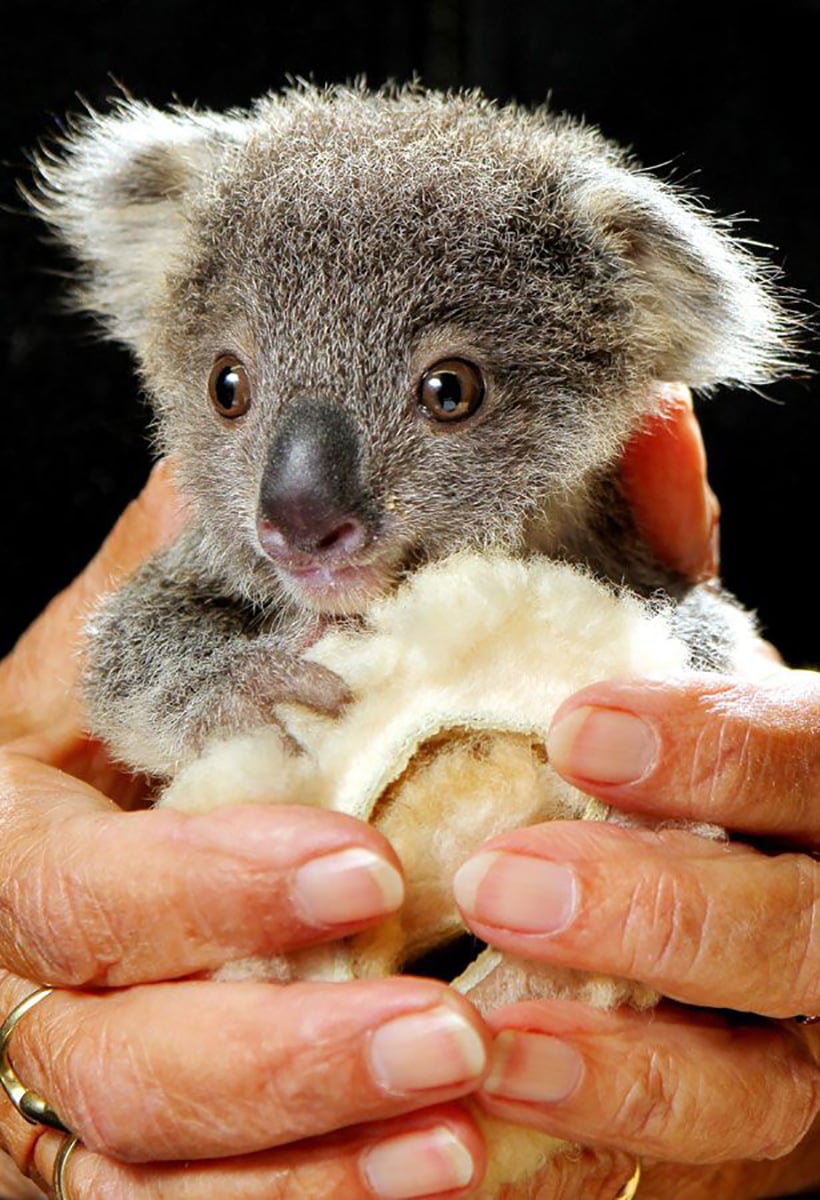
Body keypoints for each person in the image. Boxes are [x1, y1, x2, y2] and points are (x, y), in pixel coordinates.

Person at [0, 389, 817, 1199]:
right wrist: (29, 1079)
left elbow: (701, 647)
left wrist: (769, 1012)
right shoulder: (215, 513)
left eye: (446, 392)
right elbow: (131, 657)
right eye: (233, 389)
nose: (294, 509)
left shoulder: (616, 454)